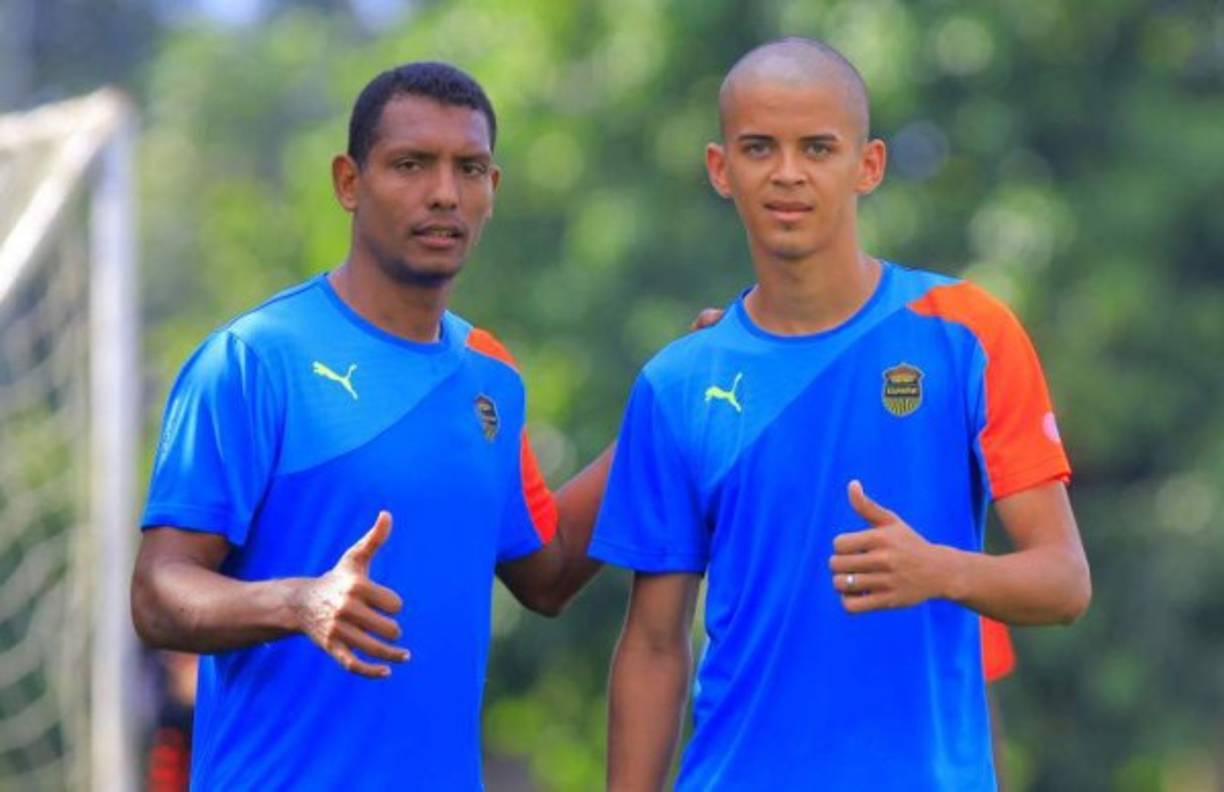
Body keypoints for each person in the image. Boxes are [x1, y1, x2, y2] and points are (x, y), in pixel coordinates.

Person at [590, 37, 1091, 791]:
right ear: (721, 169)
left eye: (817, 147)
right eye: (760, 147)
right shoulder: (677, 383)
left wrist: (941, 570)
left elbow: (1064, 583)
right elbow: (655, 645)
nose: (788, 173)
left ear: (869, 164)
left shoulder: (968, 334)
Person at [130, 62, 610, 790]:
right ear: (349, 183)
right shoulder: (255, 360)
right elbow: (158, 593)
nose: (444, 193)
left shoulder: (490, 377)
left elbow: (547, 574)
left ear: (492, 190)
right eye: (411, 165)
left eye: (468, 168)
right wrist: (300, 602)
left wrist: (667, 411)